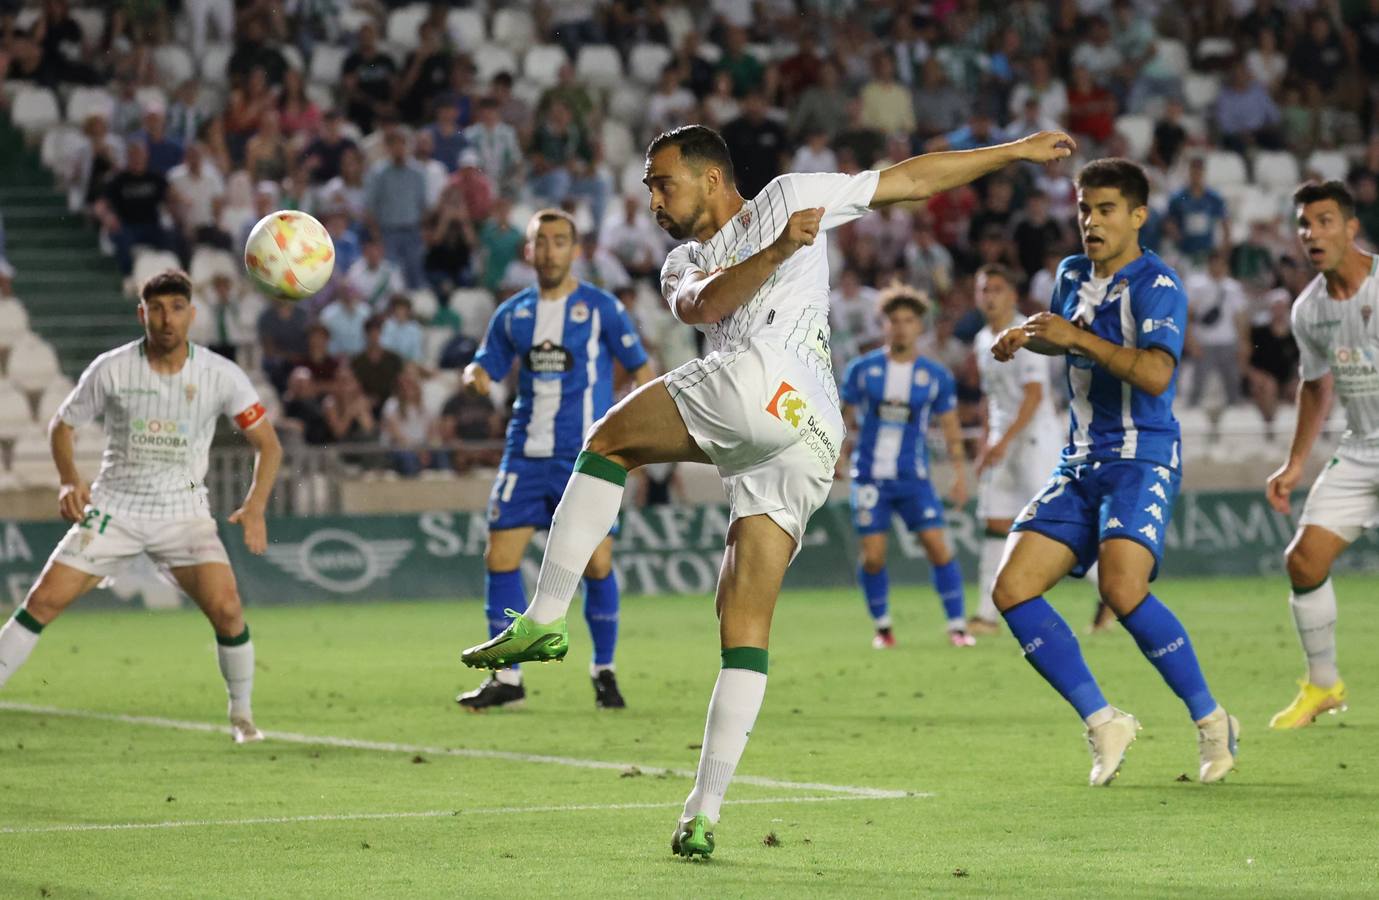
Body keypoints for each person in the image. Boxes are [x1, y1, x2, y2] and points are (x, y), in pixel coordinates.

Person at [460, 123, 1076, 857]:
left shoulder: (790, 194)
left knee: (605, 441)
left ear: (711, 178)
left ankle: (544, 616)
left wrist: (1012, 151)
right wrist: (778, 250)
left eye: (662, 184)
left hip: (769, 384)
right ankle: (702, 813)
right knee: (741, 626)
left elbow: (911, 180)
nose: (653, 201)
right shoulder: (684, 260)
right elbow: (700, 305)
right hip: (808, 435)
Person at [988, 158, 1238, 787]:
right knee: (1011, 589)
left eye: (1105, 210)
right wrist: (1026, 336)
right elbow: (1063, 335)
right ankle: (1104, 721)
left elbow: (1155, 373)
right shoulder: (1071, 273)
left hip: (1141, 456)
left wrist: (1076, 339)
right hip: (1079, 460)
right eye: (1083, 209)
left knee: (1122, 589)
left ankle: (1212, 722)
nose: (1090, 222)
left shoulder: (1159, 284)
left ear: (1138, 216)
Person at [0, 270, 283, 744]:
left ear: (192, 315)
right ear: (141, 314)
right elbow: (62, 426)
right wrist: (69, 479)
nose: (166, 318)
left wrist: (255, 506)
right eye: (156, 309)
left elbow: (268, 445)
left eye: (176, 308)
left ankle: (242, 715)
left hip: (183, 513)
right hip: (116, 509)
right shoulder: (112, 368)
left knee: (228, 609)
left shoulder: (220, 374)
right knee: (41, 602)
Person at [456, 209, 653, 712]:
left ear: (575, 250)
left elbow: (641, 370)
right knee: (499, 558)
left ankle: (604, 670)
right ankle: (508, 678)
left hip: (583, 458)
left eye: (559, 241)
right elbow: (485, 363)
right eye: (540, 242)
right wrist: (474, 377)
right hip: (524, 454)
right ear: (528, 252)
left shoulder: (601, 308)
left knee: (597, 563)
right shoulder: (513, 314)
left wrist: (635, 434)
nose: (549, 250)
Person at [1265, 181, 1378, 729]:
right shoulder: (1308, 310)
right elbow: (1314, 386)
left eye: (1325, 220)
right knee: (1304, 560)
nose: (1312, 233)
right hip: (1359, 450)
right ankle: (1323, 684)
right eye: (1305, 224)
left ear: (1351, 227)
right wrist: (1295, 464)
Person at [841, 286, 974, 648]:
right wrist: (836, 455)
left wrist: (959, 474)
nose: (900, 328)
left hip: (914, 477)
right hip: (869, 477)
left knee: (937, 547)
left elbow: (950, 428)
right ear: (883, 325)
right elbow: (842, 418)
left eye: (908, 321)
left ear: (919, 327)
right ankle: (883, 629)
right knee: (873, 556)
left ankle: (958, 626)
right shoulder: (862, 370)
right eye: (894, 321)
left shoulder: (935, 376)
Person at [969, 263, 1075, 633]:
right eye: (984, 289)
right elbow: (991, 398)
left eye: (997, 289)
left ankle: (1108, 591)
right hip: (1004, 441)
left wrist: (1002, 441)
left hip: (1034, 439)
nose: (990, 296)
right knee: (995, 521)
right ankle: (986, 614)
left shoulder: (1025, 334)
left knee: (1056, 522)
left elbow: (1034, 395)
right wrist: (987, 442)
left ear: (1013, 295)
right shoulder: (982, 339)